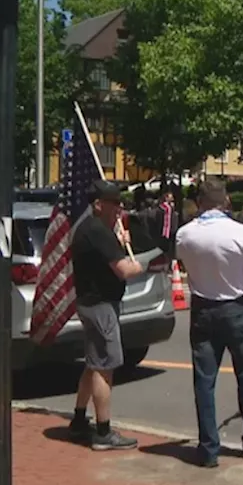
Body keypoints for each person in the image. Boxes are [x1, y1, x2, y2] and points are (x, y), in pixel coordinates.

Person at [175, 178, 243, 468]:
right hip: (235, 307)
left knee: (204, 381)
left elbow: (184, 263)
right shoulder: (241, 233)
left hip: (203, 307)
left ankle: (208, 448)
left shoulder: (185, 235)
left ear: (199, 203)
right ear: (226, 202)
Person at [68, 180, 146, 450]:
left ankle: (79, 420)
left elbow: (108, 256)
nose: (119, 209)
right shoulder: (96, 231)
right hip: (100, 305)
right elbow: (123, 270)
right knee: (104, 366)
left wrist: (120, 242)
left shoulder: (94, 230)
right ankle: (103, 431)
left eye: (120, 203)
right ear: (99, 205)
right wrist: (140, 265)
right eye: (114, 203)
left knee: (94, 363)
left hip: (92, 303)